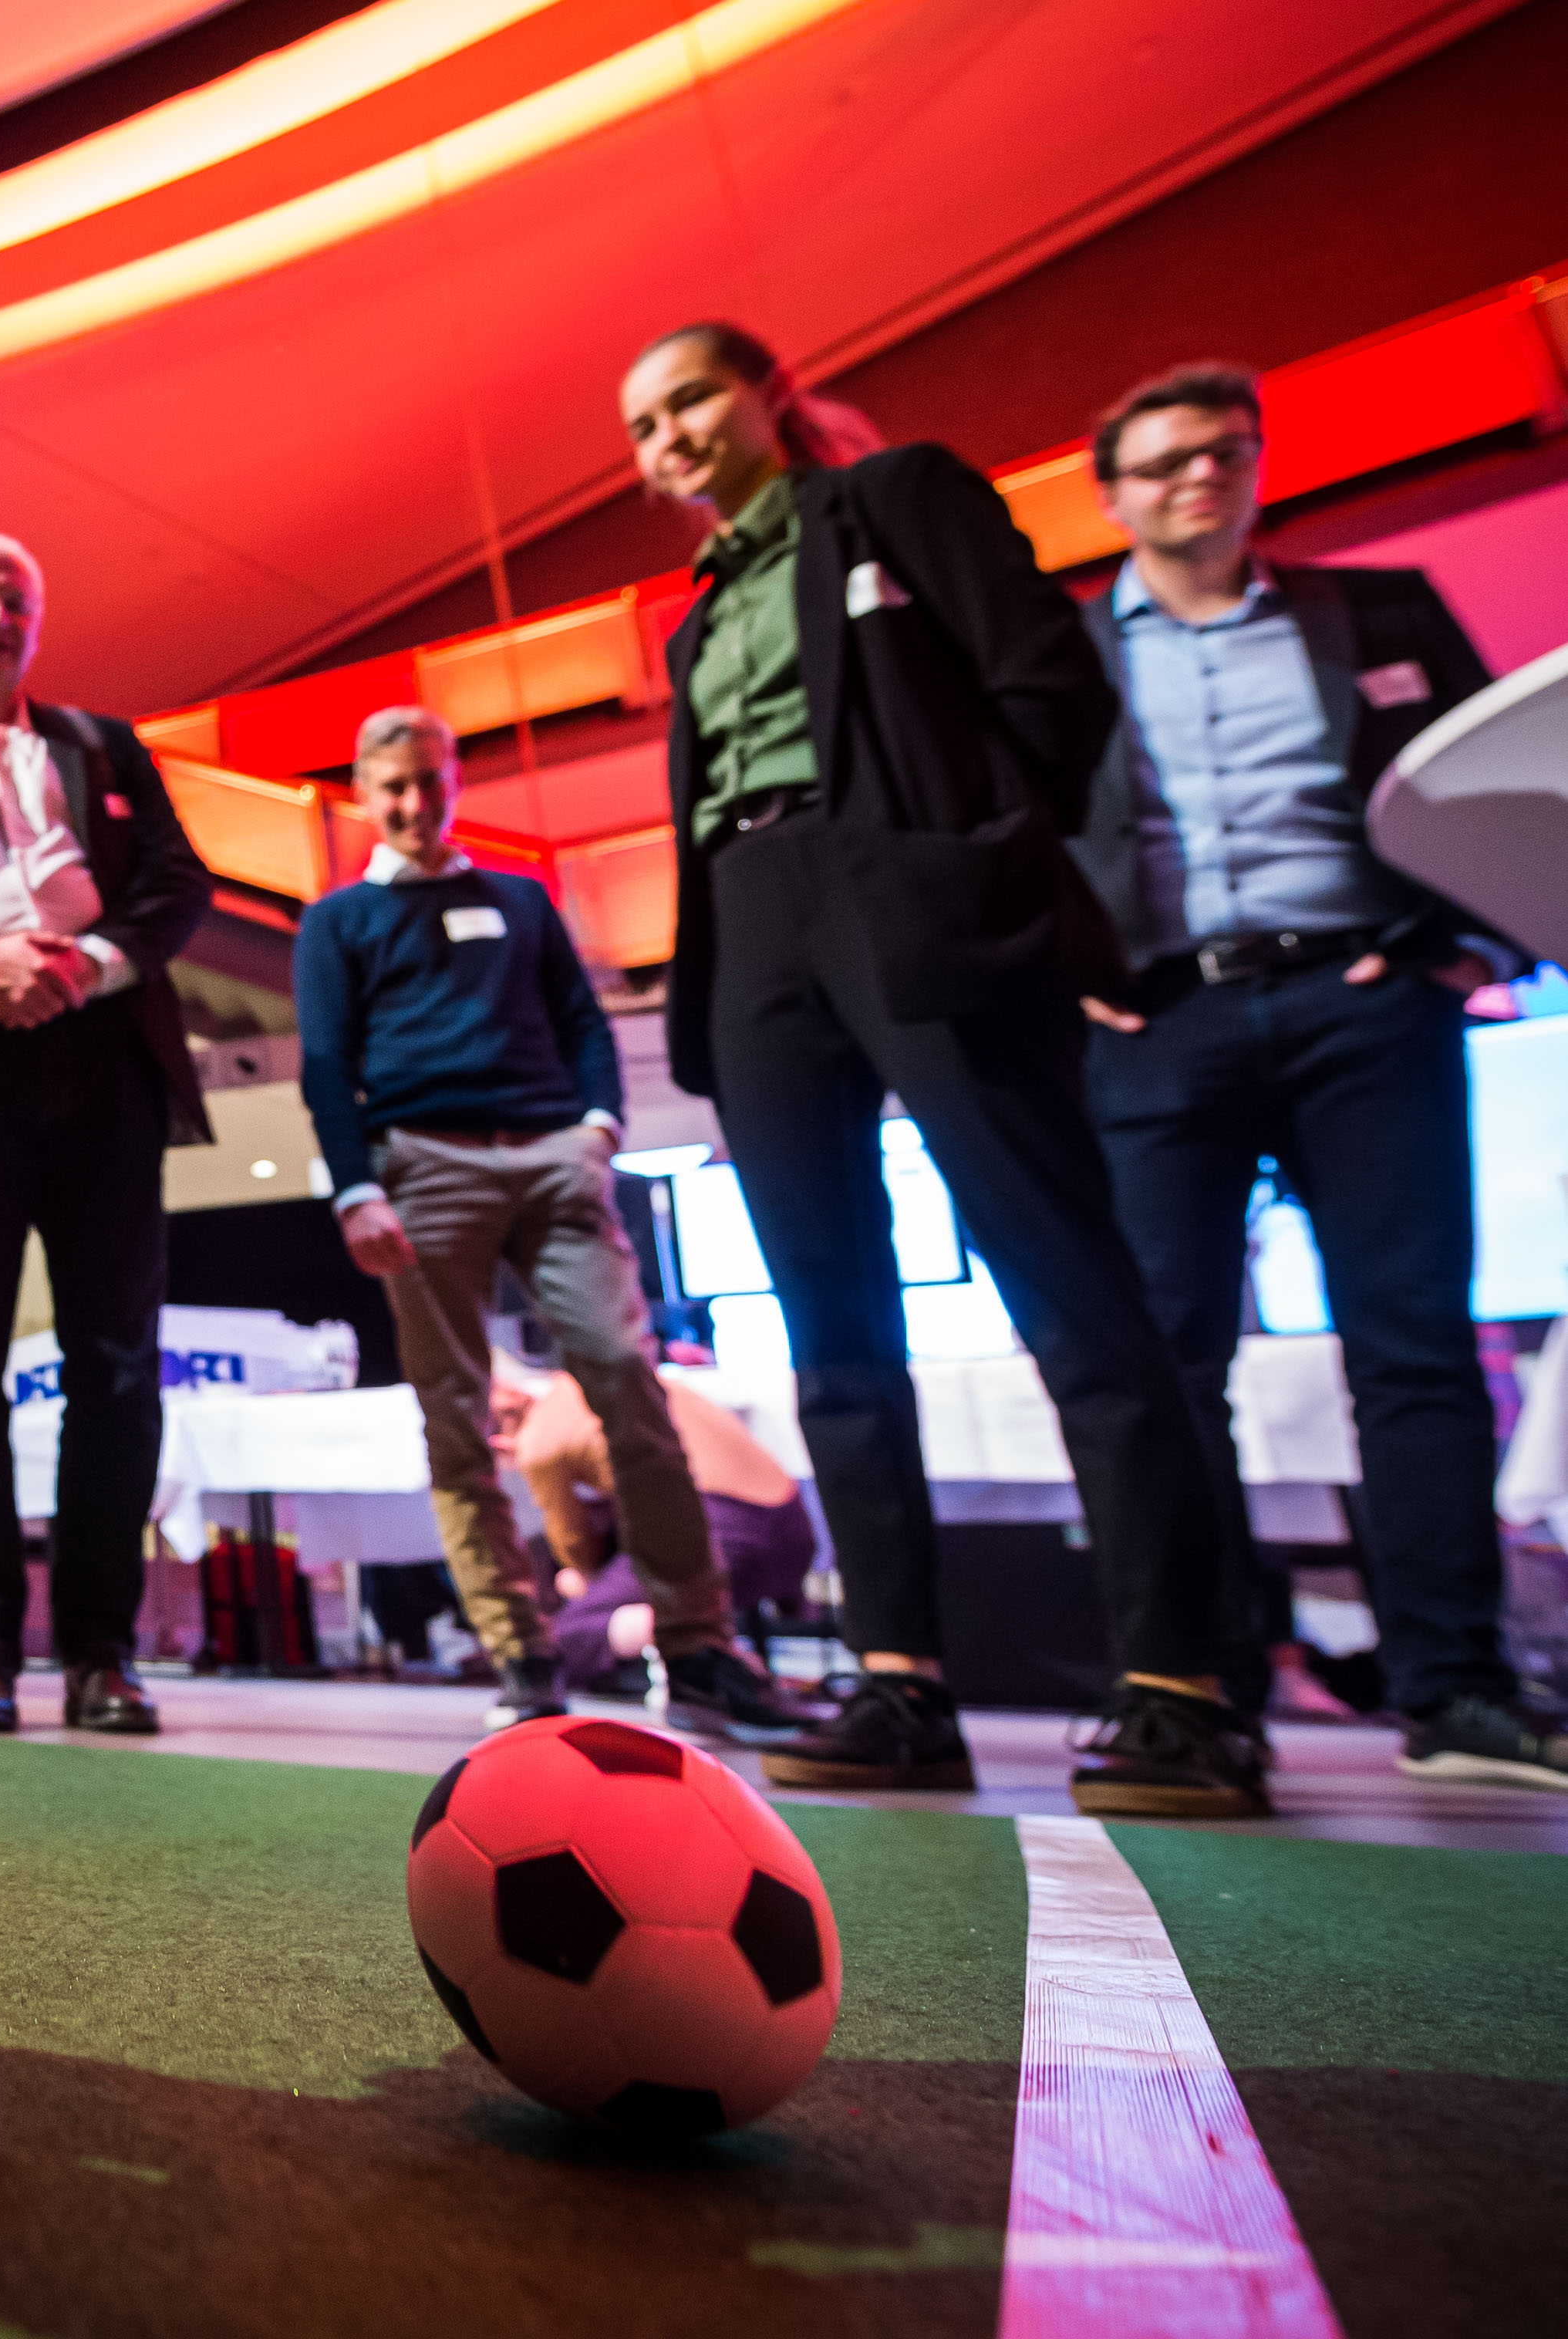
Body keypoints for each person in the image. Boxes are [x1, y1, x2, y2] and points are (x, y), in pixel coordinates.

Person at [620, 320, 1266, 1815]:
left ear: (767, 392)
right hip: (755, 933)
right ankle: (900, 1678)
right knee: (832, 1325)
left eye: (690, 398)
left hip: (920, 896)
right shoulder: (693, 624)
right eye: (644, 428)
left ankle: (1183, 1684)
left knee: (1069, 1282)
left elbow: (1052, 690)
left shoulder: (896, 495)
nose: (669, 439)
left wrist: (986, 866)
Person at [1068, 363, 1562, 1791]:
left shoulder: (1379, 611)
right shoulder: (1058, 654)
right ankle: (1203, 1693)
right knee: (1170, 1363)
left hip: (1364, 1002)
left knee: (1413, 1349)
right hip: (1162, 1021)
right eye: (1164, 461)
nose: (1198, 477)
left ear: (1256, 465)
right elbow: (1013, 829)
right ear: (1112, 497)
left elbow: (1481, 783)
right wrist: (1064, 980)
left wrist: (1462, 950)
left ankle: (1454, 1689)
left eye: (1223, 451)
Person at [297, 705, 804, 1742]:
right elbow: (323, 1062)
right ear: (363, 793)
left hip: (551, 1157)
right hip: (420, 1164)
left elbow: (582, 1019)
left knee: (626, 1378)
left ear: (452, 781)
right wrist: (356, 1188)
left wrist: (597, 1125)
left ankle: (698, 1644)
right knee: (457, 1417)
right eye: (392, 787)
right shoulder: (336, 922)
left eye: (429, 782)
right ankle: (519, 1650)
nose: (413, 804)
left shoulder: (520, 901)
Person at [0, 532, 214, 1737]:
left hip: (106, 1063)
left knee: (118, 1367)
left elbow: (178, 883)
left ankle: (101, 1653)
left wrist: (87, 963)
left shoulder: (106, 745)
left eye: (15, 602)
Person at [491, 1362, 819, 1696]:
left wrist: (584, 1582)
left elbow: (574, 1548)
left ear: (497, 1442)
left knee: (568, 1639)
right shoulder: (594, 1377)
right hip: (793, 1533)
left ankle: (715, 1653)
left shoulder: (537, 1443)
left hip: (722, 1535)